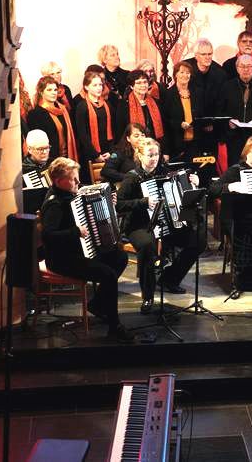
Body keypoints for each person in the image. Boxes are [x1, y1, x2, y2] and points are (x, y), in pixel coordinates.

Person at [40, 158, 133, 343]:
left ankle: (97, 305)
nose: (78, 182)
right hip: (62, 259)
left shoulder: (71, 194)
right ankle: (114, 326)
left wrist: (110, 202)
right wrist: (75, 232)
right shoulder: (54, 203)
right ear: (58, 181)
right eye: (73, 179)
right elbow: (48, 236)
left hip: (80, 252)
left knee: (120, 257)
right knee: (108, 275)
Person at [117, 139, 201, 310]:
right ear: (140, 155)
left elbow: (182, 191)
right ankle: (147, 296)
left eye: (156, 154)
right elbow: (119, 205)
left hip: (165, 220)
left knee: (198, 241)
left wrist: (194, 183)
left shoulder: (165, 172)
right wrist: (143, 202)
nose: (154, 158)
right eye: (150, 155)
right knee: (147, 245)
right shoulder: (131, 177)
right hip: (139, 224)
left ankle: (169, 279)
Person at [217, 54, 252, 165]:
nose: (246, 69)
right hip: (234, 135)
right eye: (242, 66)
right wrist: (228, 121)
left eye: (249, 66)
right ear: (237, 68)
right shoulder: (227, 86)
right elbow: (219, 110)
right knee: (235, 166)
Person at [114, 70, 167, 157]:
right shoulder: (123, 105)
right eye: (138, 83)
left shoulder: (156, 102)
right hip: (132, 152)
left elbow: (164, 128)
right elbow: (120, 132)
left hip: (154, 150)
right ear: (132, 86)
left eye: (145, 82)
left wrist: (165, 152)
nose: (143, 85)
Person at [26, 76, 77, 163]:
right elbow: (38, 144)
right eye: (49, 90)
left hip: (67, 158)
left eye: (55, 90)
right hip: (50, 160)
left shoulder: (62, 109)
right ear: (41, 92)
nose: (53, 93)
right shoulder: (35, 114)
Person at [75, 71, 115, 181]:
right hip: (90, 153)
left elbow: (113, 130)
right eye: (95, 85)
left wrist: (111, 152)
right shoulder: (82, 106)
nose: (99, 88)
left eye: (100, 85)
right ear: (86, 87)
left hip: (107, 151)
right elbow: (82, 134)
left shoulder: (107, 104)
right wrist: (95, 155)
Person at [162, 61, 205, 163]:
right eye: (182, 72)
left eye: (188, 73)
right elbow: (165, 120)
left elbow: (201, 115)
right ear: (175, 74)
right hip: (176, 144)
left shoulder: (198, 93)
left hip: (195, 143)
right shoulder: (168, 94)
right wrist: (179, 124)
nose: (185, 75)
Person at [184, 38, 227, 116]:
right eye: (203, 54)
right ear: (196, 56)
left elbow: (221, 101)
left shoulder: (220, 73)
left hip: (212, 116)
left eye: (209, 54)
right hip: (188, 114)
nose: (207, 57)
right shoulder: (185, 68)